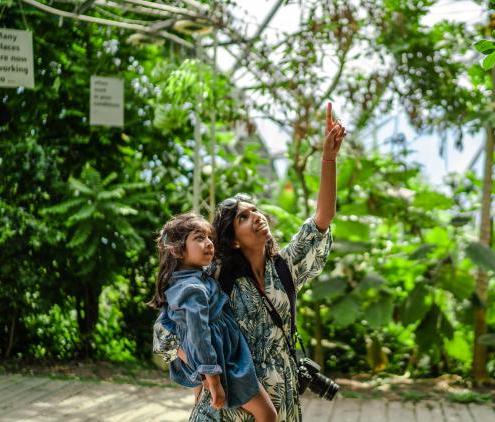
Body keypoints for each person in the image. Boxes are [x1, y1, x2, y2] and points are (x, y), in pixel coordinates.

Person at [153, 103, 346, 421]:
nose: (256, 217)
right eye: (244, 216)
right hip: (234, 399)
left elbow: (322, 220)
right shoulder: (215, 276)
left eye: (256, 210)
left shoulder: (285, 266)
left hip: (280, 397)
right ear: (232, 238)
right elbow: (167, 331)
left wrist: (328, 159)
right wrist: (209, 371)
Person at [148, 213, 278, 422]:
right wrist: (214, 380)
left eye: (209, 237)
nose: (208, 243)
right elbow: (199, 334)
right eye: (199, 238)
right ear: (177, 250)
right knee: (268, 414)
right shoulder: (193, 289)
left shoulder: (188, 278)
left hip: (212, 360)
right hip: (223, 363)